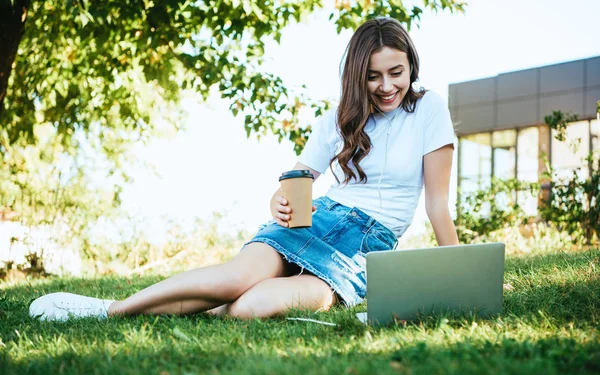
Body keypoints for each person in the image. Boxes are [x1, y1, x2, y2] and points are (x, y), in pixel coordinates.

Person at [29, 17, 459, 322]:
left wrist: (454, 277)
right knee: (235, 278)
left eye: (396, 73)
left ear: (411, 67)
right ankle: (107, 311)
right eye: (372, 76)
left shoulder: (428, 108)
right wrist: (280, 199)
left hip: (368, 246)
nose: (386, 86)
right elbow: (298, 178)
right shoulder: (341, 116)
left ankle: (199, 307)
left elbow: (437, 204)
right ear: (356, 77)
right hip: (320, 217)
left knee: (251, 306)